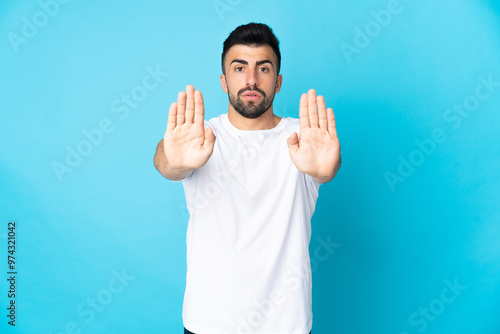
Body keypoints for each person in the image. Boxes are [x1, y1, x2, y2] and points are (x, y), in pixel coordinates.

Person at [154, 22, 341, 334]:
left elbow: (324, 168)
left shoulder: (305, 139)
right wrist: (172, 160)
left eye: (263, 68)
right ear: (224, 81)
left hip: (286, 323)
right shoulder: (199, 138)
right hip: (208, 321)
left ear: (278, 81)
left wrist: (325, 171)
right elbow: (167, 163)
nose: (251, 79)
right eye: (239, 68)